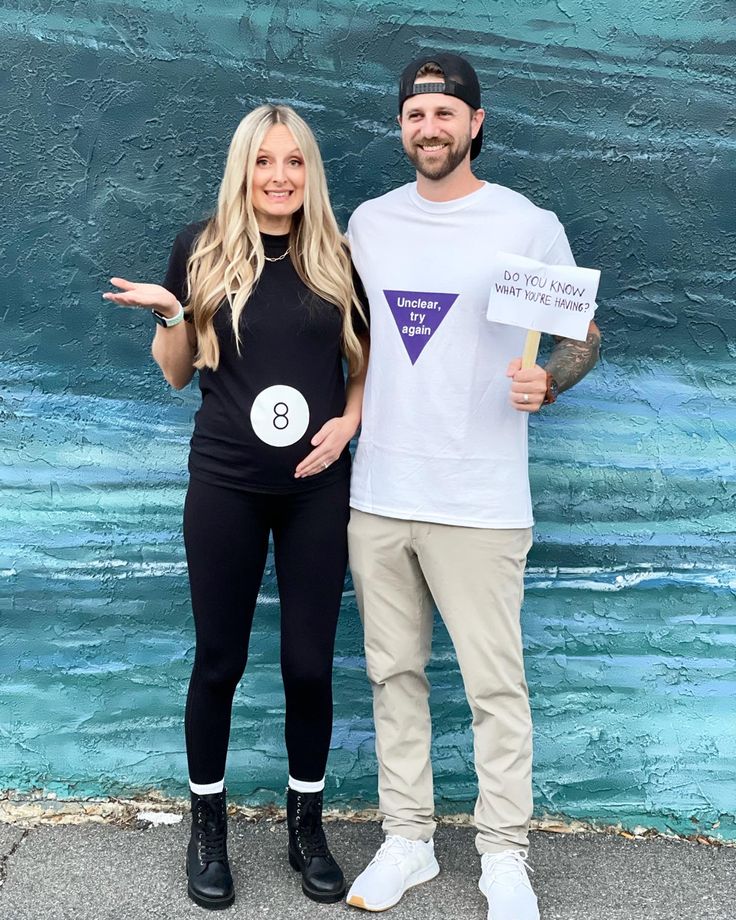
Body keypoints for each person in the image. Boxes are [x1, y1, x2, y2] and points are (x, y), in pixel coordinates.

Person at [344, 53, 600, 920]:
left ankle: (503, 856)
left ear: (476, 123)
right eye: (417, 114)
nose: (431, 128)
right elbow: (345, 335)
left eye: (446, 113)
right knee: (393, 675)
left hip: (483, 499)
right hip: (379, 491)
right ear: (401, 125)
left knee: (495, 686)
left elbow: (584, 334)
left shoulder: (526, 225)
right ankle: (408, 840)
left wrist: (552, 380)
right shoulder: (369, 223)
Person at [104, 104, 368, 910]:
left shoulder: (337, 254)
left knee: (308, 667)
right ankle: (208, 829)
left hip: (316, 493)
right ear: (243, 169)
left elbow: (360, 366)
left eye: (294, 162)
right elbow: (178, 374)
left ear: (308, 171)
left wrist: (350, 422)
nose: (280, 176)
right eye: (264, 162)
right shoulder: (202, 246)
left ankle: (306, 826)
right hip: (224, 486)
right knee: (219, 662)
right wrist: (173, 313)